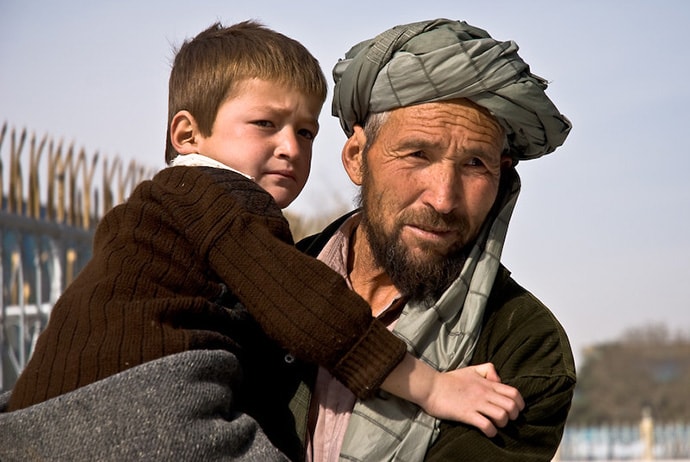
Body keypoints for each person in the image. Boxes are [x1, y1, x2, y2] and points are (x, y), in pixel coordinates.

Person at [1, 20, 524, 461]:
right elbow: (307, 308)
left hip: (44, 414)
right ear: (187, 135)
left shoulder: (158, 208)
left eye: (305, 132)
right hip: (139, 408)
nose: (289, 148)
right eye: (264, 124)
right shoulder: (217, 198)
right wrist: (432, 387)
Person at [288, 18, 577, 461]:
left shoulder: (523, 345)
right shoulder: (264, 283)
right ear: (356, 159)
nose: (444, 199)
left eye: (475, 164)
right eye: (418, 154)